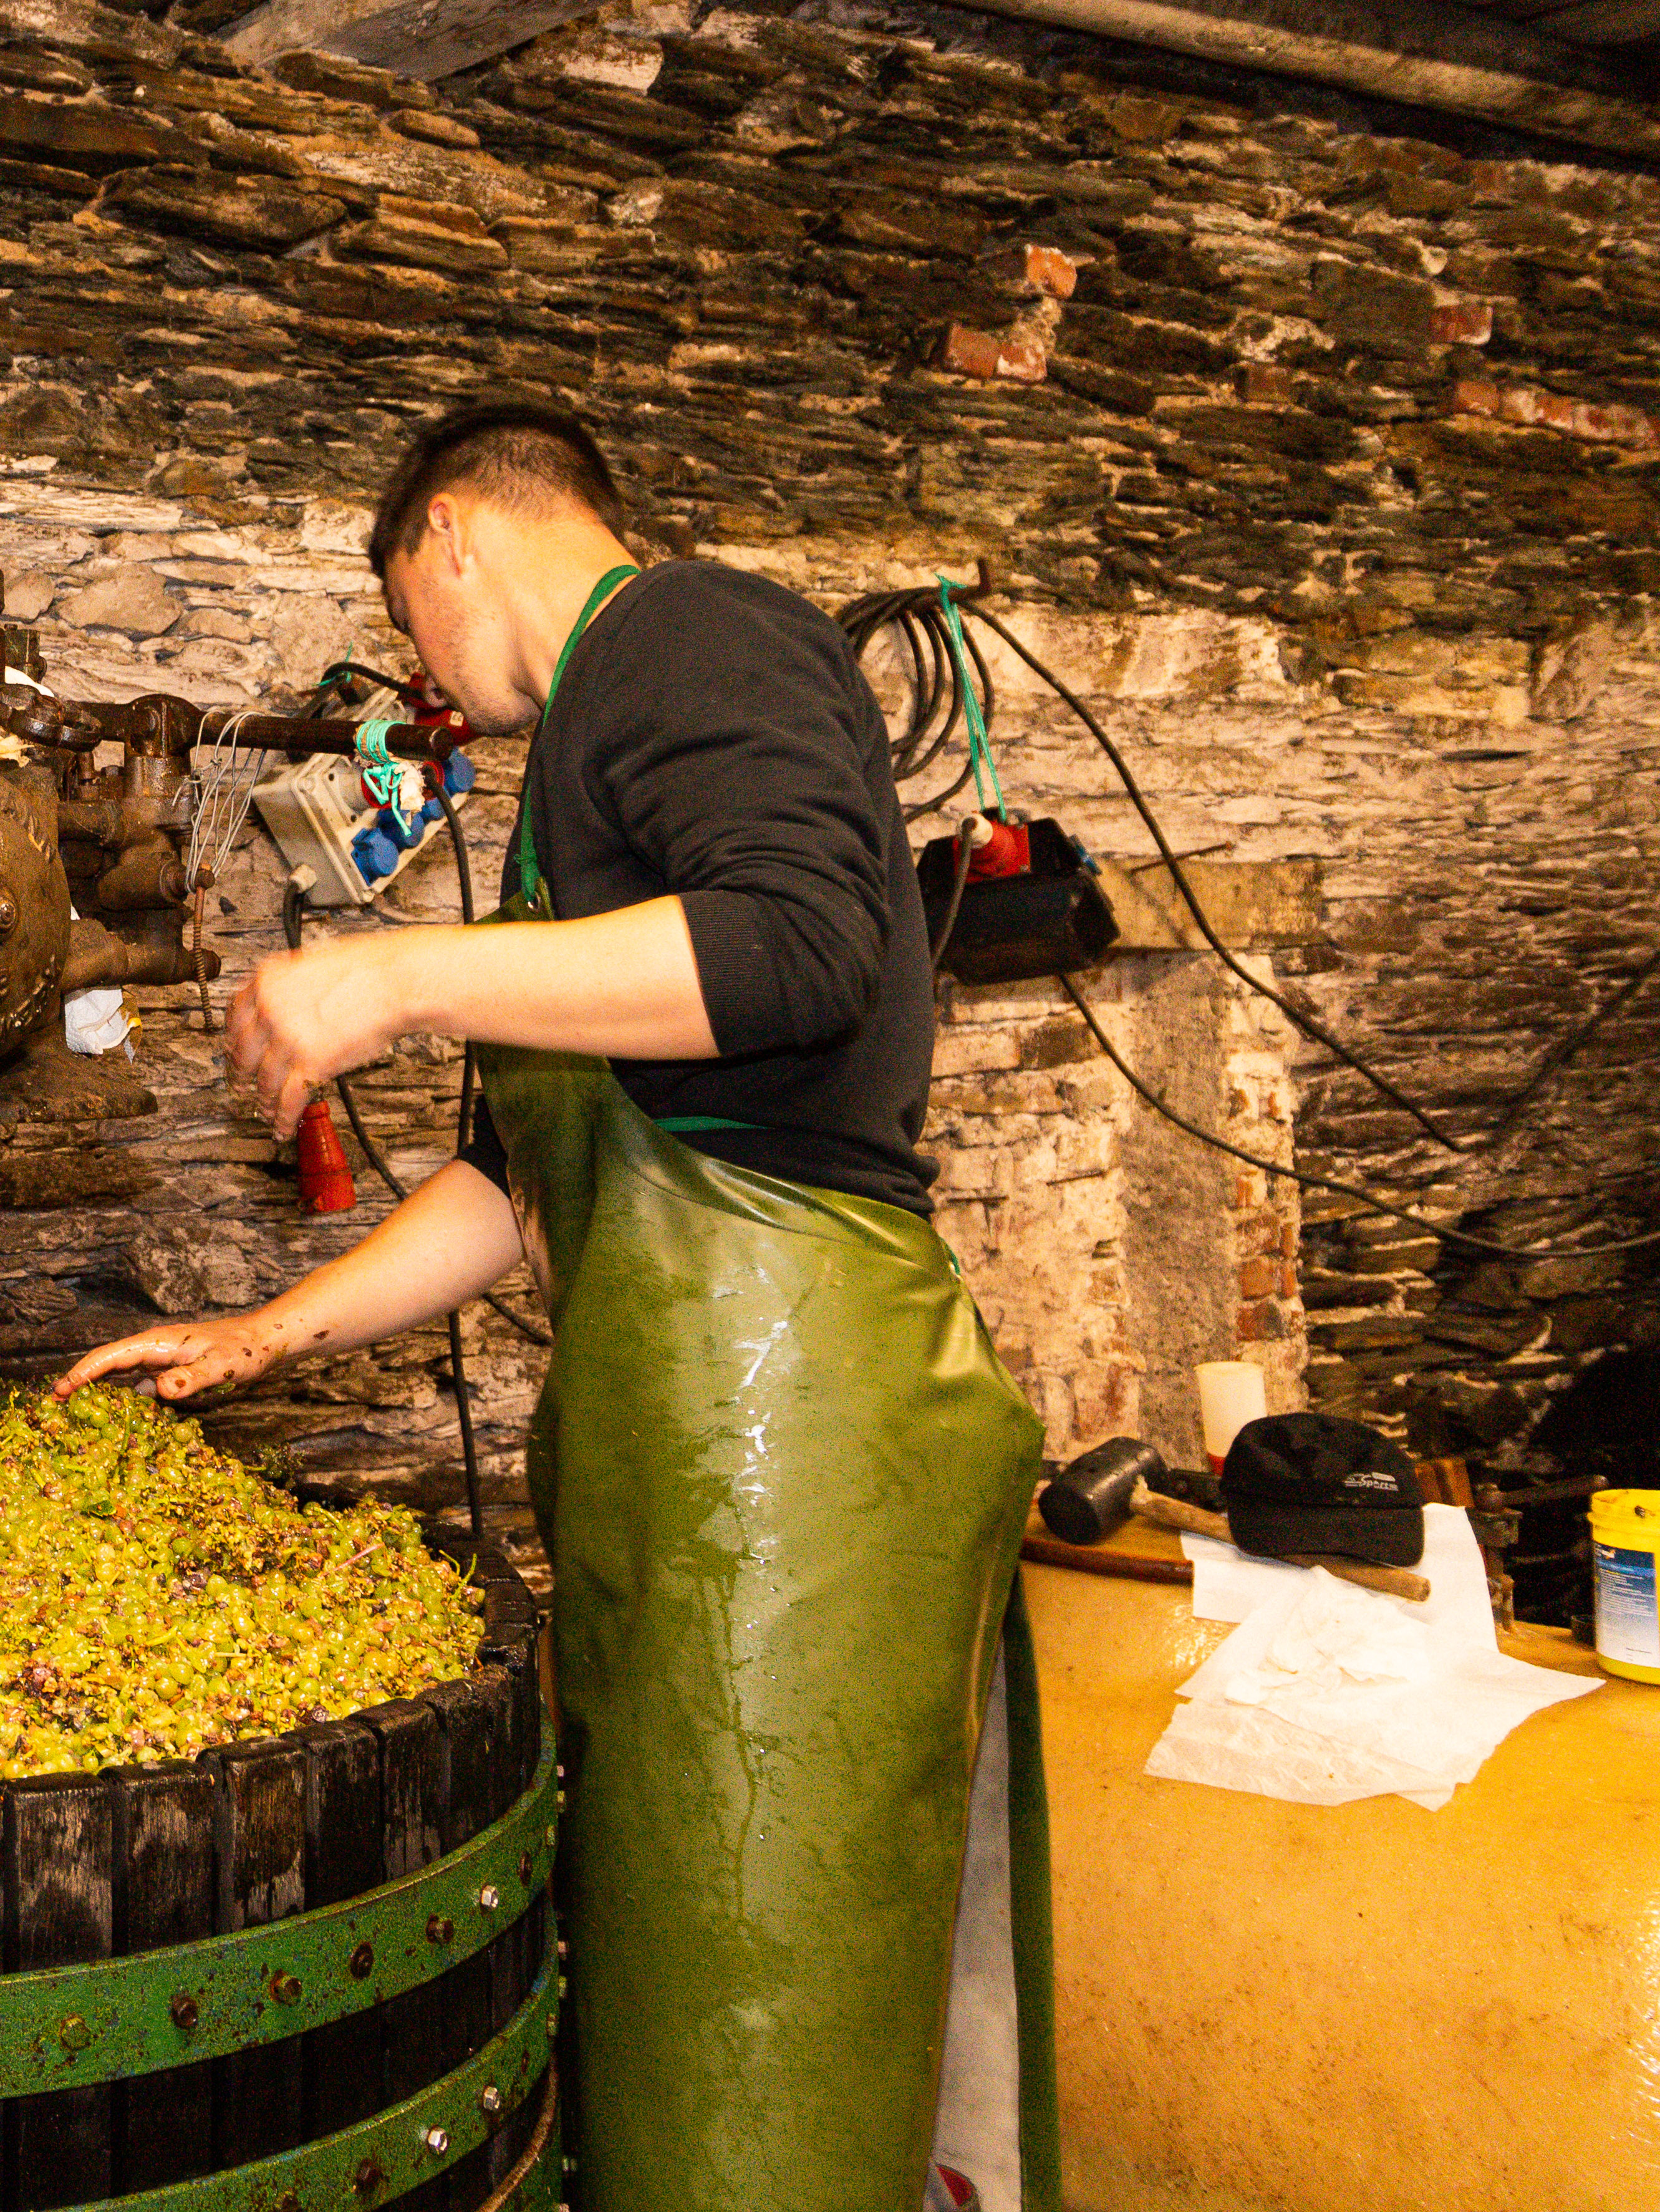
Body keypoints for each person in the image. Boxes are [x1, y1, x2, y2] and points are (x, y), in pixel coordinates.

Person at [57, 403, 1054, 2212]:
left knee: (769, 2037)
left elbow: (808, 950)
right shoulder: (573, 791)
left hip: (805, 1456)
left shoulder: (691, 630)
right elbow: (513, 1189)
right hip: (694, 1463)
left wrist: (398, 976)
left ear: (449, 537)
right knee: (674, 2009)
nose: (424, 676)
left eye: (405, 616)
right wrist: (276, 1333)